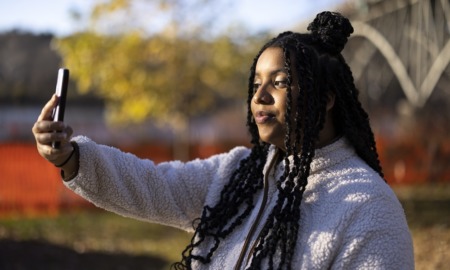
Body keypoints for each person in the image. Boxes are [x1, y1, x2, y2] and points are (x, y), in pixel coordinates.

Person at [32, 11, 414, 270]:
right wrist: (71, 157)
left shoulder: (369, 209)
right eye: (256, 83)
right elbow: (150, 185)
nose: (259, 97)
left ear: (327, 98)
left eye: (279, 83)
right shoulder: (236, 173)